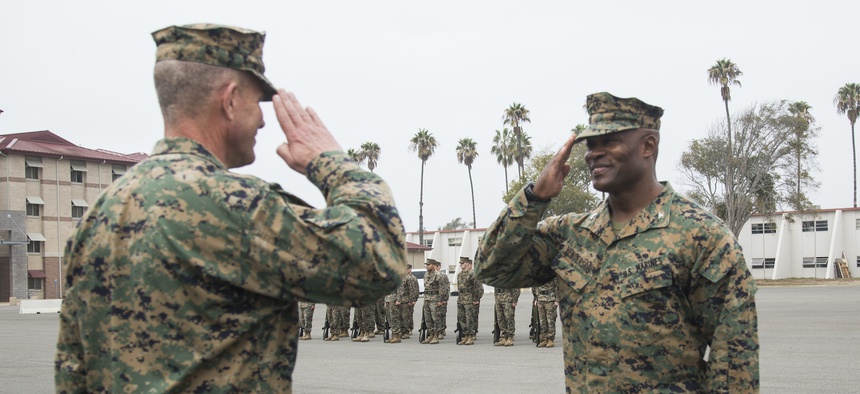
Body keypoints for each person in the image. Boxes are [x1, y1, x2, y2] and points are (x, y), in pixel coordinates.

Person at [54, 24, 407, 393]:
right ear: (230, 100)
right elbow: (378, 262)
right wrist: (331, 162)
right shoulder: (236, 207)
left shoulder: (99, 215)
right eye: (257, 103)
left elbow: (72, 368)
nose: (263, 119)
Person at [475, 92, 759, 392]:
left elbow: (734, 360)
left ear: (648, 145)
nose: (593, 153)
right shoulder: (570, 233)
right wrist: (534, 198)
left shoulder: (701, 236)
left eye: (609, 141)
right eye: (591, 145)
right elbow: (492, 269)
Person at [456, 257, 483, 345]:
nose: (461, 265)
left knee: (470, 318)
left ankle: (471, 336)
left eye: (463, 263)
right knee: (461, 318)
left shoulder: (473, 274)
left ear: (468, 264)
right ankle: (466, 335)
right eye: (460, 263)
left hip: (470, 298)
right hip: (461, 298)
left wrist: (476, 299)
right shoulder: (460, 275)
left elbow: (478, 288)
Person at [420, 259, 444, 344]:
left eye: (428, 264)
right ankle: (431, 334)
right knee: (427, 318)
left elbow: (442, 288)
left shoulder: (438, 275)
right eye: (426, 264)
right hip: (427, 298)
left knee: (435, 318)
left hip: (435, 298)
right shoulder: (426, 275)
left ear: (434, 265)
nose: (427, 266)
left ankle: (436, 336)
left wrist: (440, 300)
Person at [531, 279, 558, 348]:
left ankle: (550, 339)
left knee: (550, 321)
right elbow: (536, 287)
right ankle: (544, 339)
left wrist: (557, 300)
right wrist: (536, 298)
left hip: (550, 299)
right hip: (540, 299)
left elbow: (558, 286)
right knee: (542, 321)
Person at [399, 265, 420, 339]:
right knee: (402, 316)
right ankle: (403, 330)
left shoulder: (412, 278)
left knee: (407, 316)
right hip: (402, 299)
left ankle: (408, 329)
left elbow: (414, 290)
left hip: (407, 299)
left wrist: (413, 300)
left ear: (410, 269)